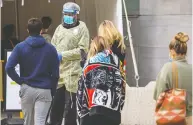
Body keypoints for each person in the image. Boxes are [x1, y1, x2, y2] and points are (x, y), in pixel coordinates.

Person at [5, 18, 60, 125]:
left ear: (27, 30)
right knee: (40, 121)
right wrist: (52, 89)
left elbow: (9, 67)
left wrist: (20, 81)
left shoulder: (20, 47)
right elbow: (55, 73)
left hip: (27, 88)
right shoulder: (51, 48)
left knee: (28, 121)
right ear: (41, 30)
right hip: (45, 89)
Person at [47, 2, 89, 125]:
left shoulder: (82, 28)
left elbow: (82, 51)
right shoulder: (59, 29)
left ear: (76, 15)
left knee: (71, 108)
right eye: (65, 14)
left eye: (70, 14)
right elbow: (52, 47)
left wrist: (63, 55)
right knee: (56, 107)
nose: (67, 16)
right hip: (59, 73)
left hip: (73, 74)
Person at [77, 36, 125, 125]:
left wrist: (81, 113)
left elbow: (81, 89)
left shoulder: (89, 63)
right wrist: (119, 105)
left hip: (93, 112)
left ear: (93, 46)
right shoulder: (117, 62)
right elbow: (122, 86)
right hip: (113, 111)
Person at [154, 32, 192, 125]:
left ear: (172, 51)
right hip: (189, 117)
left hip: (172, 117)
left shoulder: (167, 68)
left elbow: (157, 95)